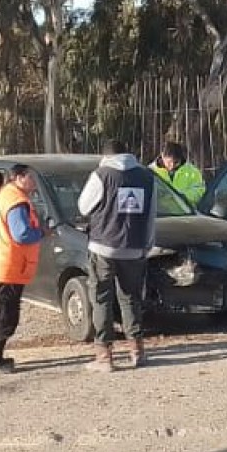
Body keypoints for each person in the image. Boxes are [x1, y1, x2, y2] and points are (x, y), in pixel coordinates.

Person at [77, 139, 157, 371]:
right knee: (130, 297)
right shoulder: (147, 177)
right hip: (134, 248)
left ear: (105, 156)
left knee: (101, 297)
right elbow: (152, 215)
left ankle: (104, 356)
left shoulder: (101, 175)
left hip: (103, 246)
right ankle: (137, 351)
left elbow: (83, 206)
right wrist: (147, 244)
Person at [0, 164, 49, 373]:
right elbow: (22, 234)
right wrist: (42, 232)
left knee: (3, 314)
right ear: (19, 177)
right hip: (6, 268)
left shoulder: (8, 196)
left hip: (2, 266)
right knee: (2, 316)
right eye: (31, 177)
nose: (34, 182)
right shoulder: (16, 201)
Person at [152, 142, 207, 207]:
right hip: (161, 214)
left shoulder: (192, 172)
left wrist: (182, 197)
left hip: (186, 213)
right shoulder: (152, 172)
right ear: (162, 156)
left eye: (176, 162)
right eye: (169, 162)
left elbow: (200, 190)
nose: (172, 166)